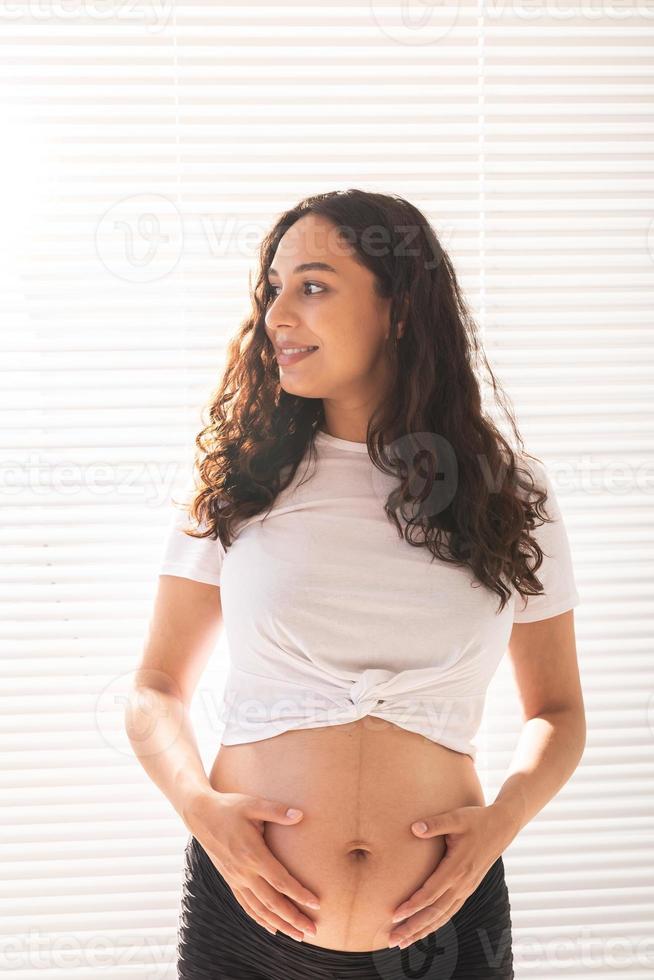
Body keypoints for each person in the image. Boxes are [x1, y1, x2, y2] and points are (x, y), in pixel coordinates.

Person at [126, 189, 585, 979]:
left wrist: (502, 822)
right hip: (246, 918)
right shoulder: (238, 483)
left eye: (311, 285)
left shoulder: (504, 490)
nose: (276, 315)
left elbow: (558, 711)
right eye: (273, 289)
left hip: (448, 923)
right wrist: (204, 815)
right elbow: (155, 689)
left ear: (399, 309)